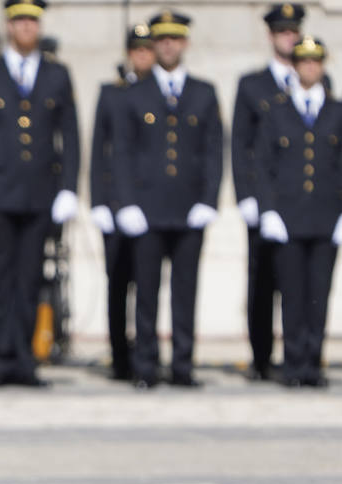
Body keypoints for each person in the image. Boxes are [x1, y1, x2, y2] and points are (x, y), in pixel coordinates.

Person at [0, 0, 80, 388]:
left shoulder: (57, 74)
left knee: (30, 279)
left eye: (33, 20)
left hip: (40, 193)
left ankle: (26, 360)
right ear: (9, 26)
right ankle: (0, 359)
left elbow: (71, 134)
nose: (27, 27)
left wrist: (68, 189)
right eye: (20, 21)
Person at [112, 11, 223, 389]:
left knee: (185, 291)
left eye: (175, 38)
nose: (169, 45)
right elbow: (122, 153)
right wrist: (126, 203)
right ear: (154, 45)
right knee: (146, 292)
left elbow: (212, 150)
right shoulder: (134, 94)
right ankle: (145, 365)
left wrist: (209, 199)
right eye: (162, 39)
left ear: (185, 43)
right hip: (146, 208)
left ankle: (182, 364)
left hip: (189, 208)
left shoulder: (203, 93)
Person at [255, 36, 342, 388]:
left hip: (326, 217)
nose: (309, 68)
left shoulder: (339, 111)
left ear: (323, 66)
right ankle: (293, 363)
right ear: (295, 67)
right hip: (288, 217)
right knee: (292, 295)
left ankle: (313, 362)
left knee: (318, 295)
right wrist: (267, 210)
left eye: (316, 62)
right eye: (303, 62)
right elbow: (264, 165)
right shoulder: (277, 110)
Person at [232, 3, 306, 381]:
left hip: (303, 201)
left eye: (293, 32)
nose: (289, 38)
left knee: (302, 283)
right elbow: (240, 143)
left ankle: (300, 354)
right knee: (262, 282)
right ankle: (261, 358)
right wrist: (245, 195)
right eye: (282, 32)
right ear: (271, 36)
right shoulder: (253, 85)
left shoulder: (314, 79)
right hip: (265, 198)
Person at [89, 25, 155, 382]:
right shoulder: (112, 93)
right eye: (137, 50)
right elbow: (101, 150)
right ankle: (119, 355)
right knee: (118, 282)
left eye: (148, 50)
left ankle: (144, 352)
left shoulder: (157, 93)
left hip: (148, 206)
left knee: (146, 283)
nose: (143, 55)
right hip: (116, 202)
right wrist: (99, 201)